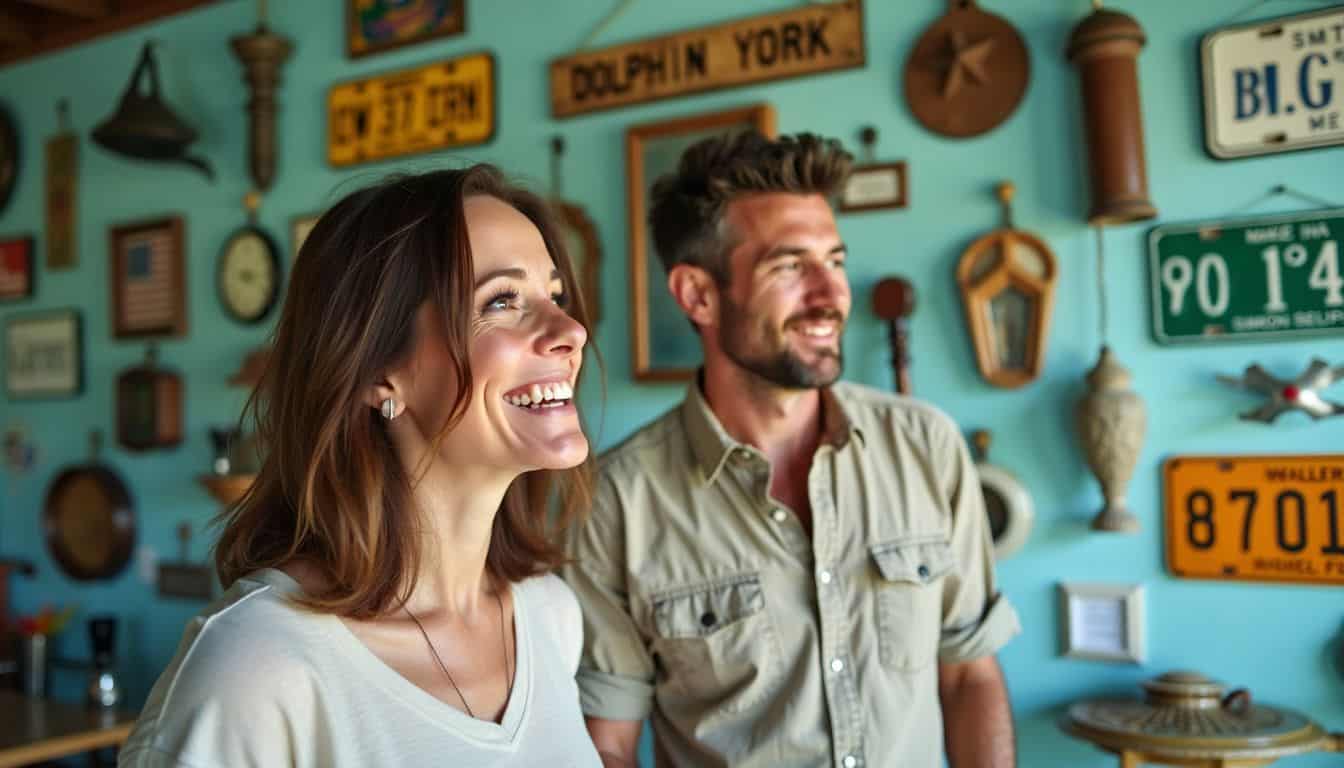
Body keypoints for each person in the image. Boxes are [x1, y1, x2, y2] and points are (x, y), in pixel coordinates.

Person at [563, 132, 1021, 768]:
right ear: (698, 295)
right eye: (789, 266)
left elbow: (970, 676)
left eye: (833, 261)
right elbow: (607, 742)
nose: (831, 296)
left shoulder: (927, 446)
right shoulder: (616, 503)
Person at [121, 166, 603, 767]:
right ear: (379, 371)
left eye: (555, 297)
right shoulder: (255, 668)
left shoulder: (549, 616)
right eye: (502, 301)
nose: (571, 330)